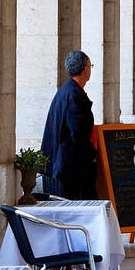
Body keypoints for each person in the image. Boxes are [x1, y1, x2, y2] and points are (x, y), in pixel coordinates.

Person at [41, 51, 98, 199]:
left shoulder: (66, 91)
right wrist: (92, 155)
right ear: (86, 69)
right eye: (90, 66)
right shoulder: (74, 95)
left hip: (64, 165)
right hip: (71, 169)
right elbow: (78, 133)